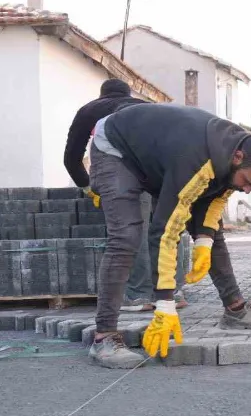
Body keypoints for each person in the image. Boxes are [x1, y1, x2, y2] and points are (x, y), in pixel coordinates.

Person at [86, 103, 251, 369]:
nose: (247, 191)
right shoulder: (196, 160)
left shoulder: (232, 157)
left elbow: (214, 203)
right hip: (115, 148)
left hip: (158, 157)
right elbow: (165, 231)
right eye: (248, 182)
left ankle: (236, 310)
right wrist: (165, 303)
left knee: (213, 235)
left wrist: (204, 240)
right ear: (238, 157)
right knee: (126, 236)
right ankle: (104, 337)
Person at [63, 78, 188, 311]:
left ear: (102, 95)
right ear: (128, 94)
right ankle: (172, 292)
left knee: (131, 230)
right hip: (161, 167)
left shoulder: (90, 110)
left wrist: (88, 187)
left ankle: (138, 296)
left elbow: (71, 157)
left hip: (125, 169)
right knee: (166, 228)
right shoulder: (147, 107)